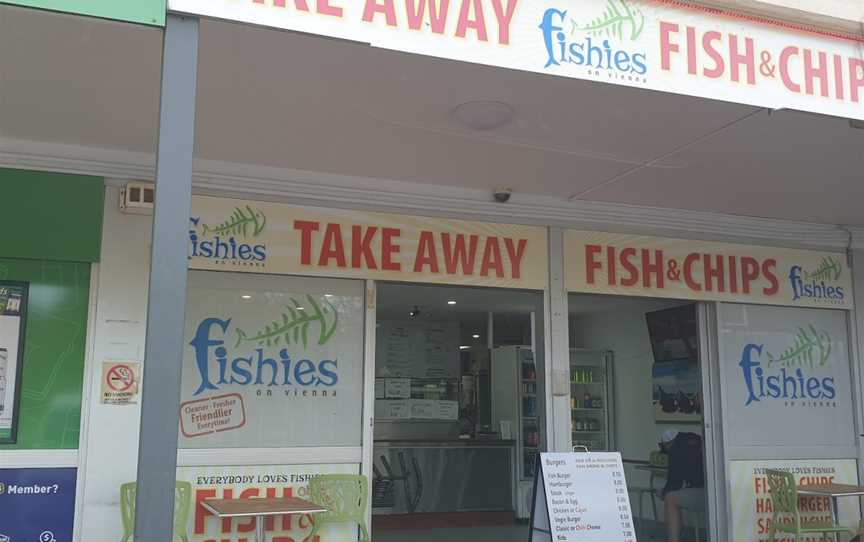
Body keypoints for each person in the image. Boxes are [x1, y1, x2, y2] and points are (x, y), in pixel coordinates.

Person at [658, 429, 705, 542]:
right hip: (719, 487)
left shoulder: (676, 449)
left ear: (668, 443)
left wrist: (663, 492)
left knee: (670, 498)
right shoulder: (693, 437)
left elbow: (674, 481)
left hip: (707, 492)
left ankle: (674, 538)